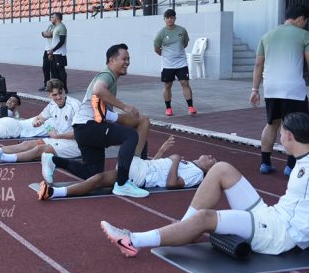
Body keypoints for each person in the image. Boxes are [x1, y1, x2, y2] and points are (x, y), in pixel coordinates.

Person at [101, 112, 309, 258]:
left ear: (290, 136)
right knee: (222, 169)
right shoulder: (302, 159)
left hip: (279, 233)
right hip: (272, 214)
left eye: (281, 133)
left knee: (205, 217)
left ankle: (132, 240)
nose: (279, 137)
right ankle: (184, 227)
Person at [46, 44, 150, 197]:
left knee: (92, 173)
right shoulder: (107, 75)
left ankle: (54, 161)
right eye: (124, 59)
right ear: (111, 60)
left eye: (129, 59)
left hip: (83, 130)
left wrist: (131, 121)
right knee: (130, 135)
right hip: (89, 126)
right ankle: (122, 183)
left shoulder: (111, 81)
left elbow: (106, 113)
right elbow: (98, 90)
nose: (127, 62)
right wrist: (125, 106)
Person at [37, 135, 215, 200]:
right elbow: (159, 166)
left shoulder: (197, 174)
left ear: (208, 170)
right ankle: (55, 162)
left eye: (212, 160)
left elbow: (172, 184)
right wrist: (162, 151)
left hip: (141, 175)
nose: (210, 156)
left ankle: (54, 192)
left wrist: (175, 160)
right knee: (96, 178)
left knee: (136, 133)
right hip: (143, 167)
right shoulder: (190, 164)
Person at [250, 5, 309, 176]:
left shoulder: (267, 36)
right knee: (294, 126)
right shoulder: (304, 35)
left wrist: (254, 89)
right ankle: (291, 166)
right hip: (293, 89)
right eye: (306, 22)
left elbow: (258, 64)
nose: (305, 25)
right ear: (301, 19)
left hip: (271, 88)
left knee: (271, 124)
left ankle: (265, 163)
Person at [0, 81, 78, 162]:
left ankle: (3, 158)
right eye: (55, 95)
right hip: (59, 138)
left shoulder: (74, 106)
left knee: (39, 150)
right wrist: (38, 122)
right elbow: (40, 118)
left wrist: (56, 136)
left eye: (61, 93)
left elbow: (81, 133)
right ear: (49, 95)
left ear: (64, 91)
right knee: (28, 143)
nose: (59, 97)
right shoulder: (52, 105)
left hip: (75, 144)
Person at [153, 9, 195, 117]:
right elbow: (157, 48)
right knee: (168, 85)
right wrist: (167, 56)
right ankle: (168, 108)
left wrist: (178, 53)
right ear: (164, 19)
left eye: (171, 17)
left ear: (175, 18)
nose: (169, 20)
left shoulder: (182, 30)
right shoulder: (161, 33)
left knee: (185, 83)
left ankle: (190, 107)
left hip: (181, 63)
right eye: (167, 18)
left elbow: (185, 44)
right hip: (168, 64)